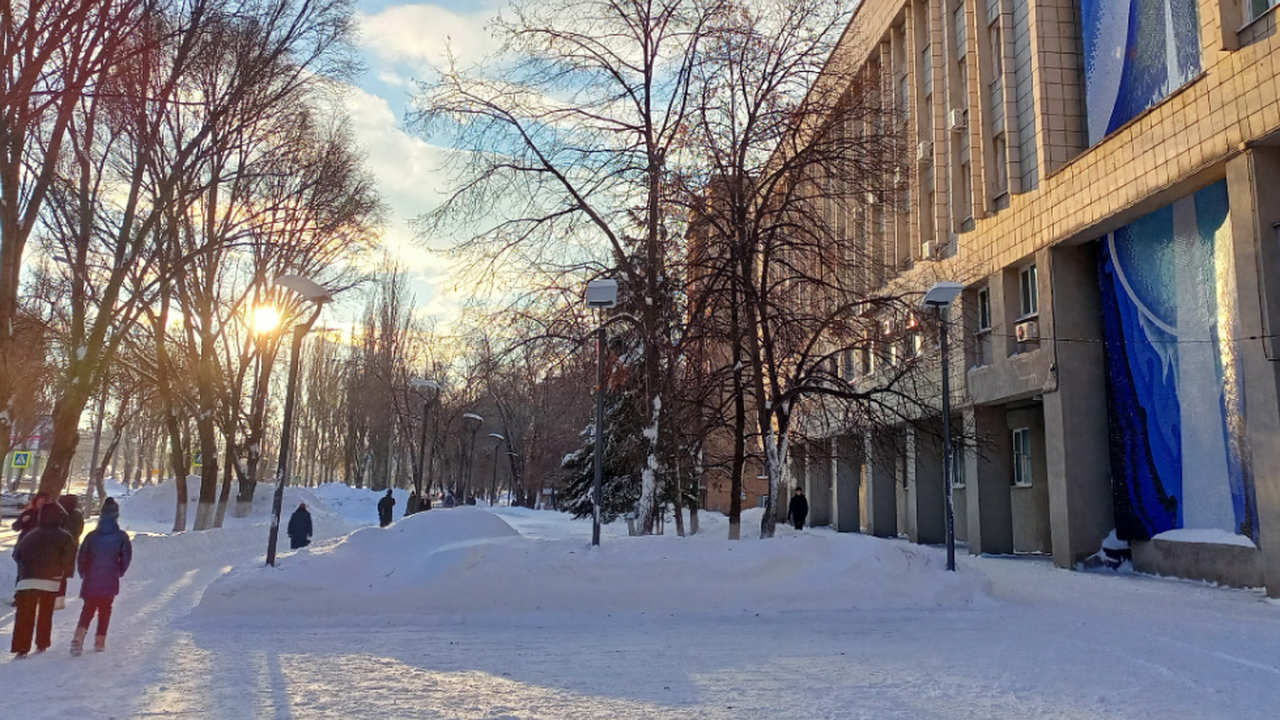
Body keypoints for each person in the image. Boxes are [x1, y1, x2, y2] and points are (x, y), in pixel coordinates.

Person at [11, 502, 77, 657]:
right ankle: (42, 642)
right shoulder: (65, 536)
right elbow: (68, 559)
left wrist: (26, 569)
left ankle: (21, 647)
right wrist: (63, 573)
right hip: (51, 582)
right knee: (45, 614)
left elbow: (16, 555)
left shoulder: (30, 535)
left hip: (26, 581)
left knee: (24, 615)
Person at [72, 497, 131, 656]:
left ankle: (78, 637)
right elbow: (126, 558)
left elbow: (82, 556)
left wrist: (84, 573)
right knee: (105, 610)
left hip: (91, 577)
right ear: (116, 516)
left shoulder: (91, 536)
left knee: (88, 609)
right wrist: (119, 571)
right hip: (110, 578)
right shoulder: (121, 537)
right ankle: (100, 642)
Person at [55, 495, 85, 611]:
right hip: (67, 550)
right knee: (60, 575)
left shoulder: (73, 516)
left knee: (60, 575)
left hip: (65, 549)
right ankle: (57, 599)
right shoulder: (74, 515)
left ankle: (58, 600)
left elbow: (72, 532)